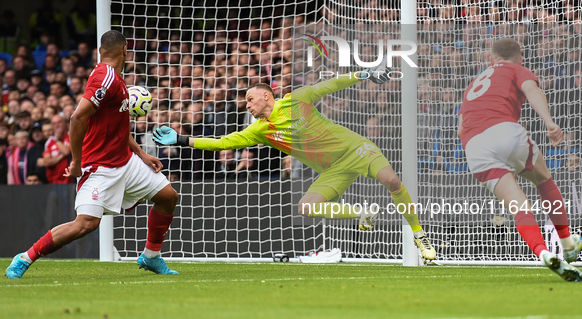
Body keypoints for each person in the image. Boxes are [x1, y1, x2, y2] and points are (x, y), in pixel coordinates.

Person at [153, 66, 437, 260]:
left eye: (250, 100)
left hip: (355, 149)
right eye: (246, 102)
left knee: (392, 181)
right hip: (333, 170)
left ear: (267, 96)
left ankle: (418, 234)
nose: (248, 106)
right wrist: (181, 140)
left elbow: (333, 84)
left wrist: (364, 74)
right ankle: (362, 213)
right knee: (306, 207)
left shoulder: (297, 100)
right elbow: (223, 143)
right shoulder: (259, 130)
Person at [6, 30, 179, 279]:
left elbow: (117, 125)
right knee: (85, 224)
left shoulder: (115, 78)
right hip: (99, 166)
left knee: (168, 197)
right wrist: (76, 161)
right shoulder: (106, 77)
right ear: (125, 50)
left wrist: (140, 153)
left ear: (100, 51)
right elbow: (77, 117)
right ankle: (25, 257)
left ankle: (151, 257)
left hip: (126, 162)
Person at [458, 38, 582, 282]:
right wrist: (549, 123)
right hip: (504, 131)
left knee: (519, 207)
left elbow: (460, 129)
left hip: (474, 147)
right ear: (521, 58)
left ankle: (543, 253)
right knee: (544, 180)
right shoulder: (518, 69)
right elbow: (532, 90)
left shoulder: (473, 83)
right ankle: (568, 244)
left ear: (491, 59)